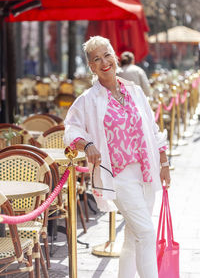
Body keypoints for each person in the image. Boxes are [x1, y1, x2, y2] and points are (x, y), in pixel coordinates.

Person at [64, 36, 170, 278]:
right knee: (146, 233)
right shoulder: (88, 99)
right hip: (118, 176)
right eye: (96, 59)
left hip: (146, 171)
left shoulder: (134, 91)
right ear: (91, 66)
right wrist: (87, 143)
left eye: (107, 55)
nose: (104, 62)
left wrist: (164, 162)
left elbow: (153, 129)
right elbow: (70, 129)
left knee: (133, 237)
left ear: (115, 55)